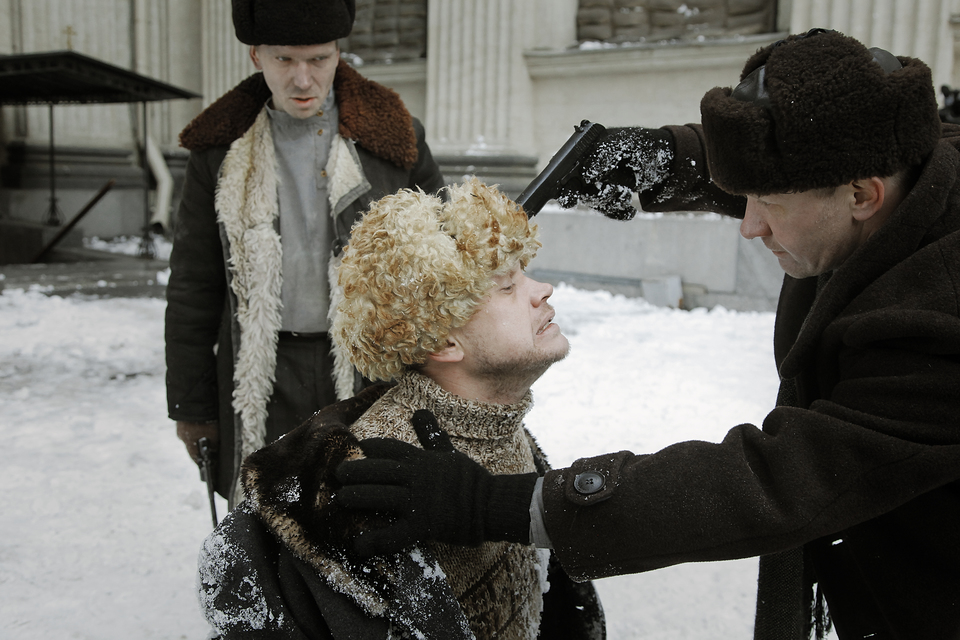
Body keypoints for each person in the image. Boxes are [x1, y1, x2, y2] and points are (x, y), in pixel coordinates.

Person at [330, 29, 960, 639]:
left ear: (862, 196)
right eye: (503, 285)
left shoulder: (940, 315)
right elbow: (797, 156)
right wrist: (656, 159)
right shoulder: (905, 155)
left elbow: (778, 481)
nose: (748, 227)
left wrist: (495, 505)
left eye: (766, 202)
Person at [197, 179, 605, 640]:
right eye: (508, 286)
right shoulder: (380, 478)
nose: (543, 289)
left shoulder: (499, 425)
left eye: (523, 273)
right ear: (444, 342)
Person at [165, 0, 445, 504]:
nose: (302, 79)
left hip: (370, 370)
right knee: (268, 516)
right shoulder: (218, 148)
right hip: (263, 375)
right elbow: (193, 285)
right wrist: (193, 407)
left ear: (338, 53)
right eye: (284, 60)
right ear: (256, 56)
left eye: (318, 59)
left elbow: (444, 264)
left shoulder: (395, 136)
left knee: (367, 511)